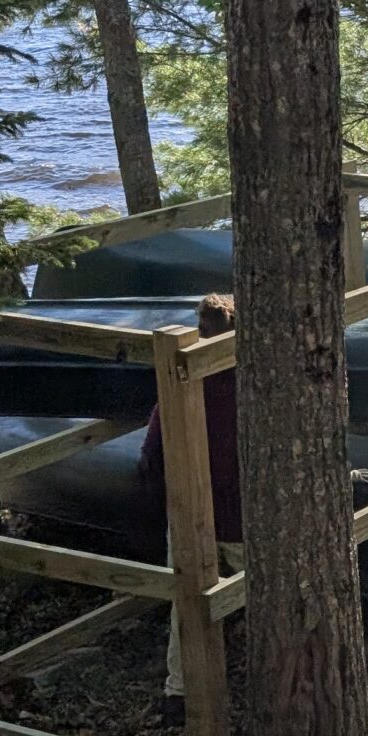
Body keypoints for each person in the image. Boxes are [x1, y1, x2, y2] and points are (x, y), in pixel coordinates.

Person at [139, 294, 243, 694]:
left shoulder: (179, 383)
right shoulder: (253, 386)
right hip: (240, 516)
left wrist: (158, 501)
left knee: (186, 608)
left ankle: (181, 687)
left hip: (191, 515)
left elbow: (149, 457)